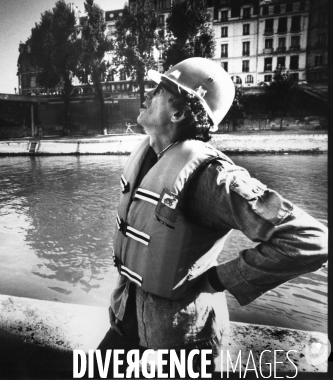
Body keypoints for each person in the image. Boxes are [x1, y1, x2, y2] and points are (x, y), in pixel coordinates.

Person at [99, 58, 328, 370]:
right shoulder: (149, 156)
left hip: (178, 342)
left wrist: (221, 278)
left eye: (159, 90)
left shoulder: (212, 177)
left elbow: (310, 240)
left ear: (178, 111)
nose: (147, 93)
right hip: (127, 323)